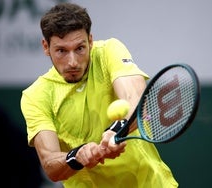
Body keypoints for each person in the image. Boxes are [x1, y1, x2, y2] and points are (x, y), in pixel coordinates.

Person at [20, 2, 178, 188]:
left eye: (80, 48)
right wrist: (77, 156)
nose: (72, 62)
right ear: (46, 47)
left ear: (90, 41)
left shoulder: (108, 52)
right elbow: (50, 165)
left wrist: (116, 130)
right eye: (61, 51)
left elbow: (136, 101)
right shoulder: (35, 95)